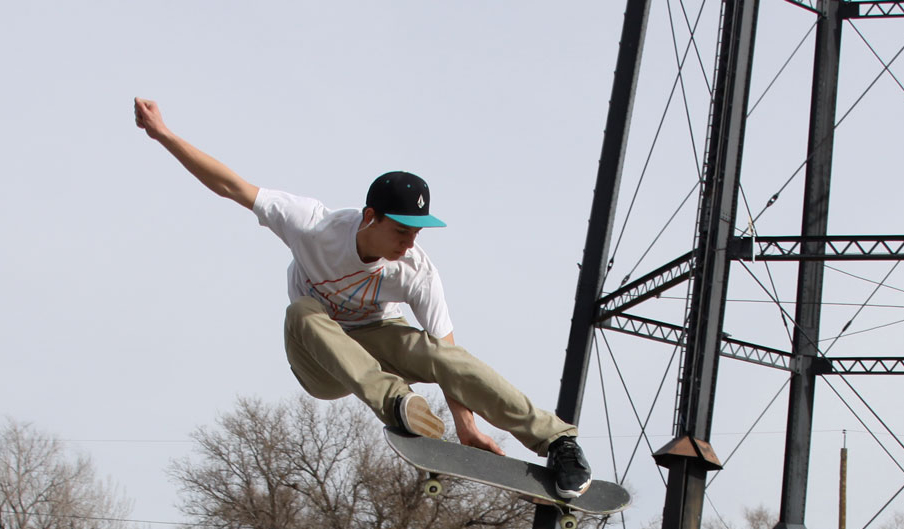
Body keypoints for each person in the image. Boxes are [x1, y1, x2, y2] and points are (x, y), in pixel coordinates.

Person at [132, 98, 592, 498]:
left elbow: (449, 359)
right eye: (400, 232)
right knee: (305, 311)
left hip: (375, 337)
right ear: (370, 217)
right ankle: (396, 402)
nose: (408, 245)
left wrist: (465, 425)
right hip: (319, 358)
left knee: (439, 352)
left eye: (415, 234)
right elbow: (231, 185)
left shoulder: (417, 270)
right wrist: (163, 134)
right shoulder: (312, 224)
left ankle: (557, 442)